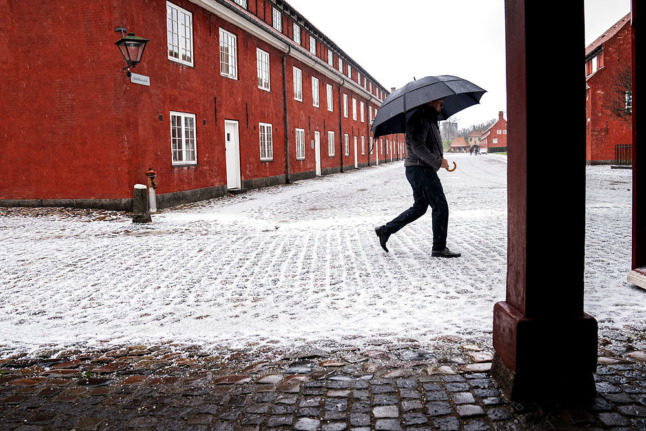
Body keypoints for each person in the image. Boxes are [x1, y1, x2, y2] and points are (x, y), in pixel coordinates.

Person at [375, 98, 461, 258]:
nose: (442, 106)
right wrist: (438, 161)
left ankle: (385, 230)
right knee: (440, 206)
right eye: (439, 103)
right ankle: (439, 247)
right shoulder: (419, 119)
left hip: (419, 169)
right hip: (420, 169)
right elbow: (418, 146)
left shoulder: (427, 118)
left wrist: (439, 159)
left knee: (420, 207)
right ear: (430, 102)